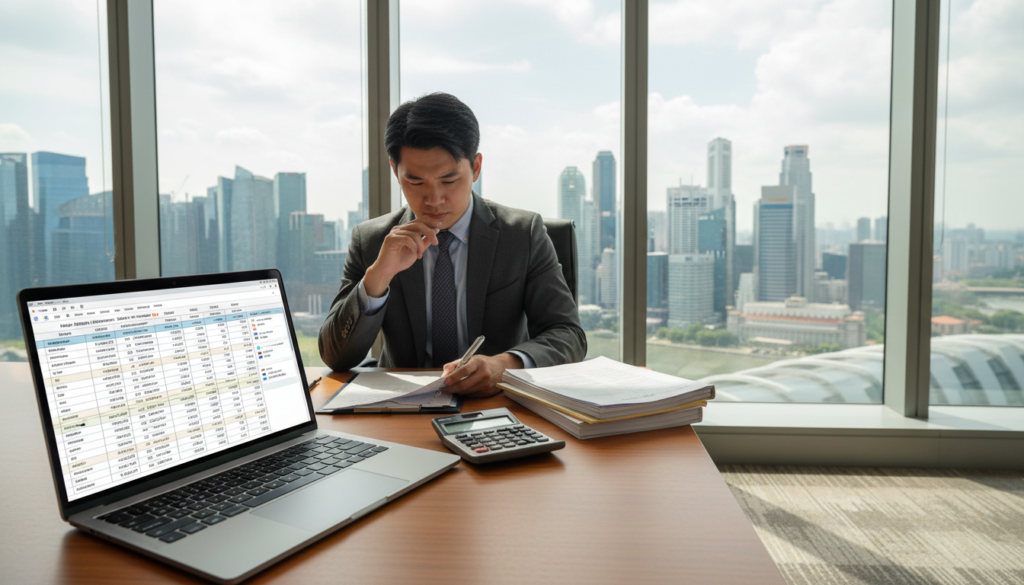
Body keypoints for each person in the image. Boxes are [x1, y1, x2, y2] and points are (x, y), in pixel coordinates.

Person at [318, 92, 586, 397]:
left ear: (475, 168)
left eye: (449, 180)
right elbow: (336, 357)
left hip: (496, 406)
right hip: (404, 409)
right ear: (395, 171)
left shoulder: (522, 234)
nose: (434, 200)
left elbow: (568, 334)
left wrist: (505, 365)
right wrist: (378, 277)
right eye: (415, 182)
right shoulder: (372, 241)